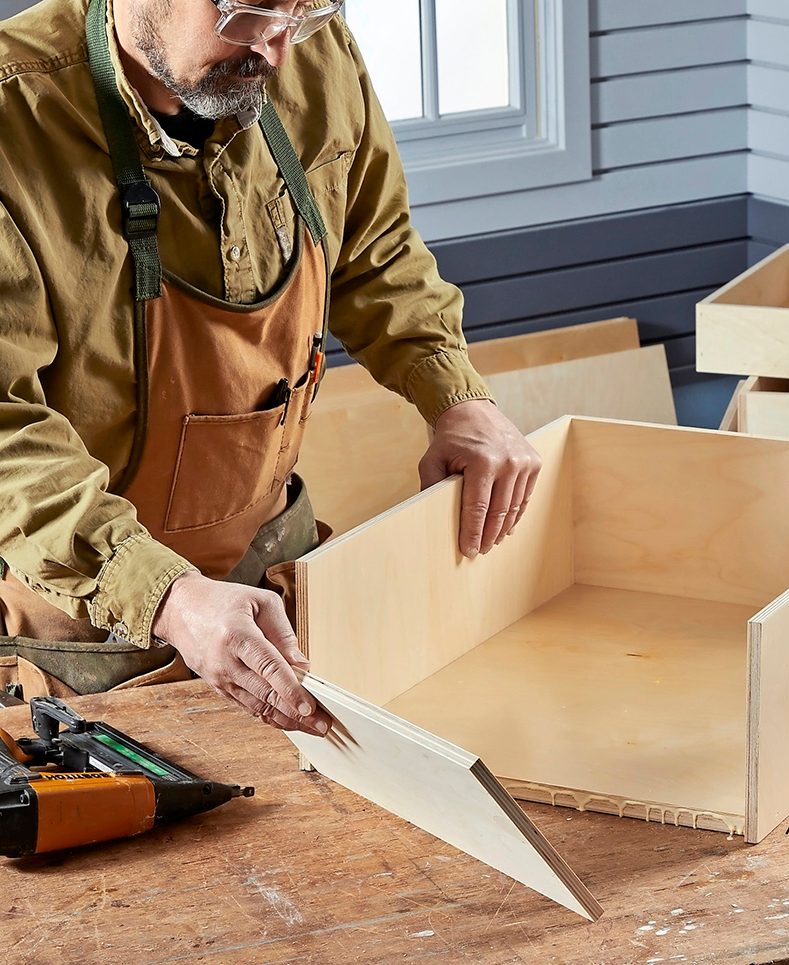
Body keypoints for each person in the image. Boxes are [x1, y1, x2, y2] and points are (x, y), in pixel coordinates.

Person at [0, 0, 541, 734]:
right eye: (249, 13)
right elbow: (6, 435)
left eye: (304, 13)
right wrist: (168, 596)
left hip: (278, 558)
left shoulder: (301, 46)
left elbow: (374, 248)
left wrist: (457, 397)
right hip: (92, 615)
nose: (280, 52)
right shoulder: (15, 121)